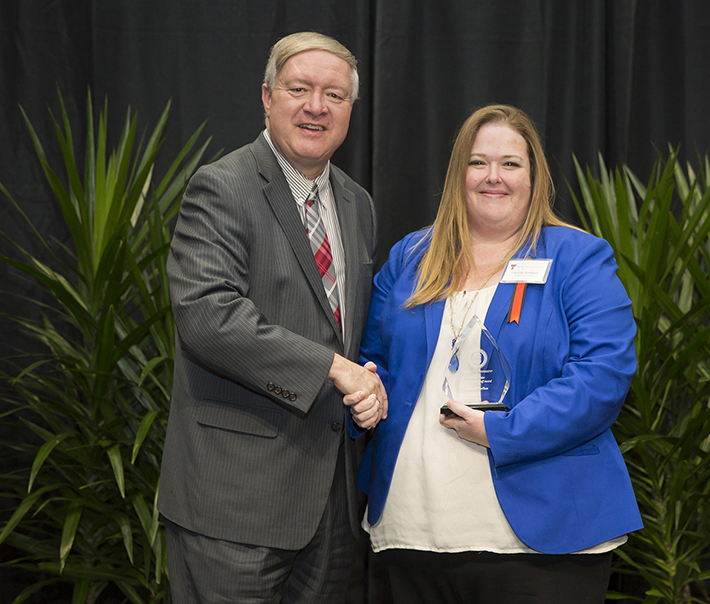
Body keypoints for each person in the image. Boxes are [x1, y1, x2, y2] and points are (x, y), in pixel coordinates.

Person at [347, 104, 643, 603]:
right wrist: (365, 396)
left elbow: (602, 376)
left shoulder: (577, 257)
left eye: (511, 164)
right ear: (458, 173)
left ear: (535, 177)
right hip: (412, 529)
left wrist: (502, 431)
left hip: (543, 541)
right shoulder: (410, 257)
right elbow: (372, 364)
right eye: (478, 162)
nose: (493, 177)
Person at [158, 31, 387, 604]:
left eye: (335, 95)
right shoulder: (222, 186)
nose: (317, 106)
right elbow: (208, 316)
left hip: (332, 508)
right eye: (299, 88)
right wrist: (336, 369)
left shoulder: (357, 202)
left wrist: (370, 378)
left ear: (351, 111)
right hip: (234, 506)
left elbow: (348, 330)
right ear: (266, 96)